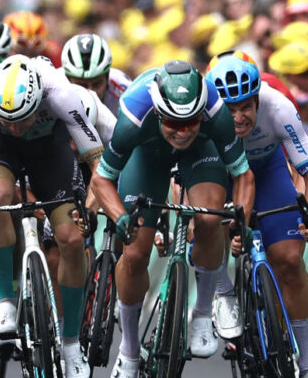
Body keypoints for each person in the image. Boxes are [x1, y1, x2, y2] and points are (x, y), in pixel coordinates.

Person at [90, 60, 255, 377]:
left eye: (190, 122)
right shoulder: (133, 115)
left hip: (201, 151)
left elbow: (243, 175)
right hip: (148, 155)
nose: (182, 132)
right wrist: (119, 216)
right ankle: (129, 351)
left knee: (209, 220)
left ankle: (204, 313)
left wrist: (241, 220)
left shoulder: (215, 111)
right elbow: (101, 180)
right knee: (135, 253)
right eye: (173, 123)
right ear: (157, 112)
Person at [0, 54, 104, 378]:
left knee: (72, 239)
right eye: (7, 120)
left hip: (49, 148)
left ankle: (70, 343)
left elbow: (100, 168)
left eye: (22, 119)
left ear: (39, 101)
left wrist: (89, 211)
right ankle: (6, 300)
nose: (15, 127)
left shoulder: (61, 93)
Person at [205, 54, 308, 378]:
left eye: (246, 106)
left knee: (288, 260)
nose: (239, 117)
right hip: (223, 176)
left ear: (258, 98)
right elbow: (190, 187)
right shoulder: (203, 118)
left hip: (267, 171)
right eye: (229, 110)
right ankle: (224, 291)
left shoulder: (278, 107)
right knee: (206, 226)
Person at [61, 33, 132, 114]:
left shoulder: (123, 88)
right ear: (67, 79)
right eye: (82, 85)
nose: (91, 92)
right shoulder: (52, 88)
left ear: (107, 76)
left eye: (96, 84)